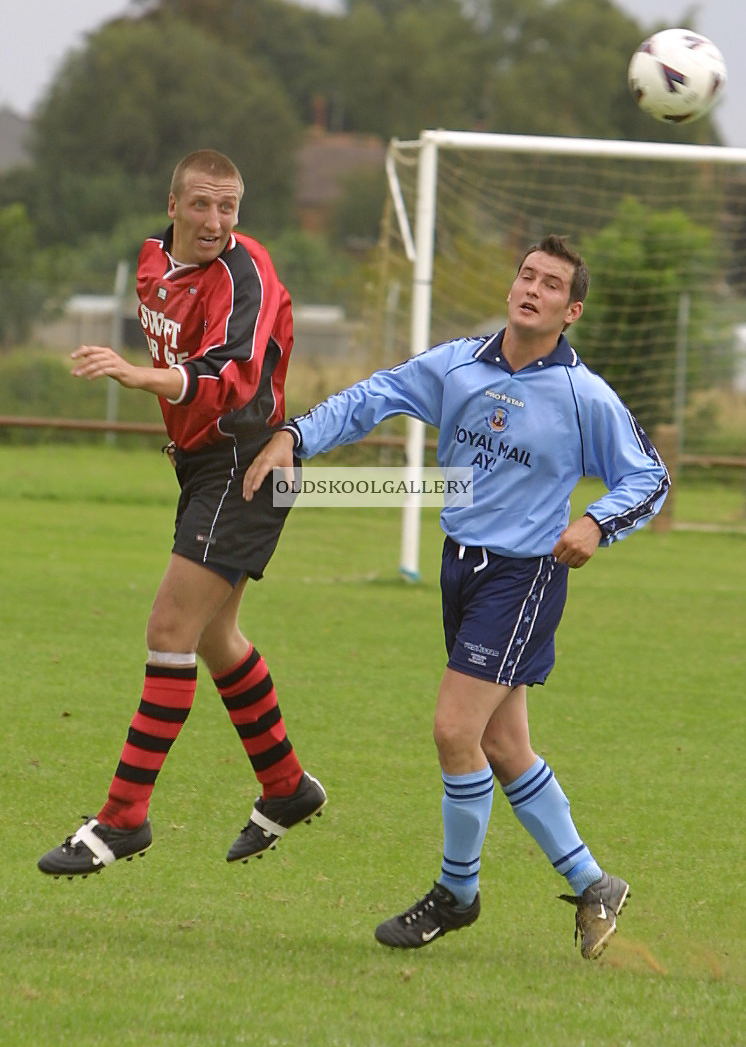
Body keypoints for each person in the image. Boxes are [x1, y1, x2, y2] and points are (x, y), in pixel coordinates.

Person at [242, 234, 670, 959]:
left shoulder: (582, 394)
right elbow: (373, 395)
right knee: (503, 743)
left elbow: (648, 477)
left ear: (571, 311)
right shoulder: (458, 365)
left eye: (551, 283)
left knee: (453, 731)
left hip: (523, 575)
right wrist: (296, 436)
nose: (531, 288)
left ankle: (458, 893)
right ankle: (594, 882)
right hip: (460, 569)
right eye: (526, 275)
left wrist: (597, 524)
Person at [38, 149, 326, 879]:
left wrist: (140, 377)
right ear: (173, 204)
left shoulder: (247, 271)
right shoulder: (149, 263)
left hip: (250, 462)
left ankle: (123, 817)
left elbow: (229, 378)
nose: (216, 220)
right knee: (215, 638)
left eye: (228, 206)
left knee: (170, 627)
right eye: (201, 204)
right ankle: (287, 786)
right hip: (203, 468)